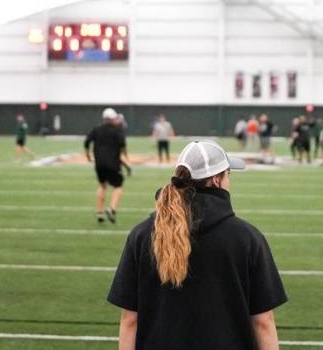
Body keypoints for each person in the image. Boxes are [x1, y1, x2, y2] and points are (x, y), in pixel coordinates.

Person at [107, 140, 286, 350]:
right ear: (216, 180)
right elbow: (263, 323)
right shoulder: (247, 238)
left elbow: (130, 320)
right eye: (228, 174)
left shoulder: (141, 235)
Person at [85, 108, 129, 224]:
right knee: (118, 186)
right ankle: (112, 209)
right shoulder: (117, 130)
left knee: (102, 186)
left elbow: (87, 142)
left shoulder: (97, 129)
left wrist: (88, 156)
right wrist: (125, 155)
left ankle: (99, 212)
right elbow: (123, 145)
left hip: (99, 164)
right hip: (113, 163)